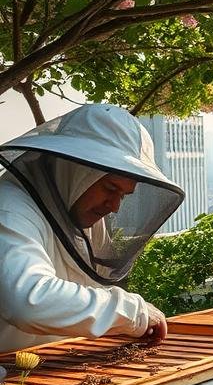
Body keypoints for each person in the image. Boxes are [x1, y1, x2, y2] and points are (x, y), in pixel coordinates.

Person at [0, 104, 185, 353]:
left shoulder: (79, 211)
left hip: (50, 364)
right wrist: (132, 312)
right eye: (110, 188)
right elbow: (29, 299)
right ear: (75, 170)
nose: (115, 206)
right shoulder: (9, 208)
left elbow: (89, 294)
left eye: (123, 195)